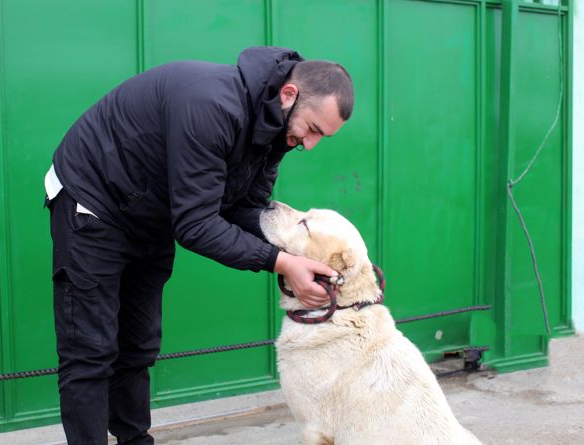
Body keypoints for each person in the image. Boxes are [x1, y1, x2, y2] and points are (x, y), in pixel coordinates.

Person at [44, 46, 354, 445]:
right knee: (91, 351)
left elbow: (243, 210)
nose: (310, 144)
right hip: (93, 201)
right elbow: (196, 225)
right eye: (312, 129)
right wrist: (280, 263)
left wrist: (298, 255)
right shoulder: (211, 104)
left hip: (152, 212)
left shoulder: (277, 131)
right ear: (289, 94)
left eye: (320, 138)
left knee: (137, 347)